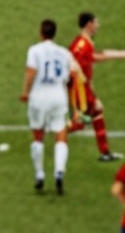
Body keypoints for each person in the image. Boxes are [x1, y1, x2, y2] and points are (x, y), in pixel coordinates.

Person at [68, 12, 125, 161]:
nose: (98, 25)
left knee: (97, 110)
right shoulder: (83, 45)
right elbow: (96, 59)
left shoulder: (81, 42)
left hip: (81, 87)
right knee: (82, 122)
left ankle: (105, 153)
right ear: (88, 24)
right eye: (96, 22)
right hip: (79, 89)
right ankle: (56, 129)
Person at [20, 19, 84, 195]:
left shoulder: (34, 50)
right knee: (61, 135)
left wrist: (25, 92)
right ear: (54, 34)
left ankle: (39, 175)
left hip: (39, 97)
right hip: (58, 97)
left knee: (38, 136)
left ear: (41, 33)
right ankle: (59, 172)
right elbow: (74, 73)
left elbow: (31, 72)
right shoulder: (64, 53)